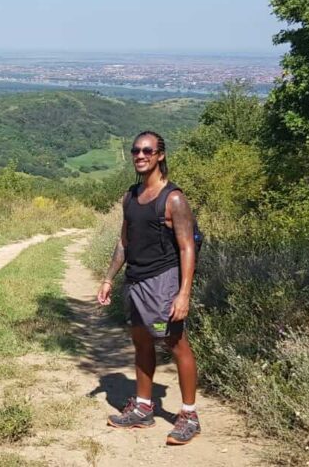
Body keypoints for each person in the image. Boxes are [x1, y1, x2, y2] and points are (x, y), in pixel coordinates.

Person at [96, 130, 201, 446]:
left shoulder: (173, 199)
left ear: (160, 155)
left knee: (174, 342)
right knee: (141, 341)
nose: (140, 156)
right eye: (135, 151)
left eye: (147, 151)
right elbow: (124, 242)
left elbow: (187, 248)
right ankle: (143, 408)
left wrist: (183, 293)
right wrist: (109, 278)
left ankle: (189, 416)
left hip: (162, 283)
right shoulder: (130, 196)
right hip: (136, 282)